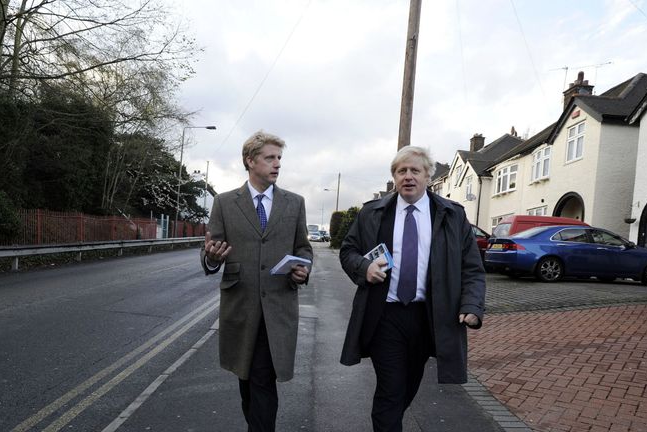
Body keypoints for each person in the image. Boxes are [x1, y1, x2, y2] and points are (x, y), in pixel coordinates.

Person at [339, 146, 486, 432]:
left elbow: (472, 268)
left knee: (408, 385)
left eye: (415, 170)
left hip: (428, 317)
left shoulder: (452, 215)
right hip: (385, 316)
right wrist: (363, 268)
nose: (408, 176)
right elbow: (348, 251)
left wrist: (471, 305)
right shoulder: (373, 213)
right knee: (391, 388)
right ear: (394, 177)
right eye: (401, 171)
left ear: (428, 176)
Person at [201, 130, 313, 432]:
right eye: (270, 158)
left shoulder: (294, 203)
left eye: (279, 158)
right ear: (250, 161)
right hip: (240, 306)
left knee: (263, 378)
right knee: (247, 380)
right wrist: (213, 257)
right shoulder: (225, 203)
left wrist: (303, 269)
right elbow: (211, 253)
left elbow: (303, 248)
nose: (277, 164)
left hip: (278, 306)